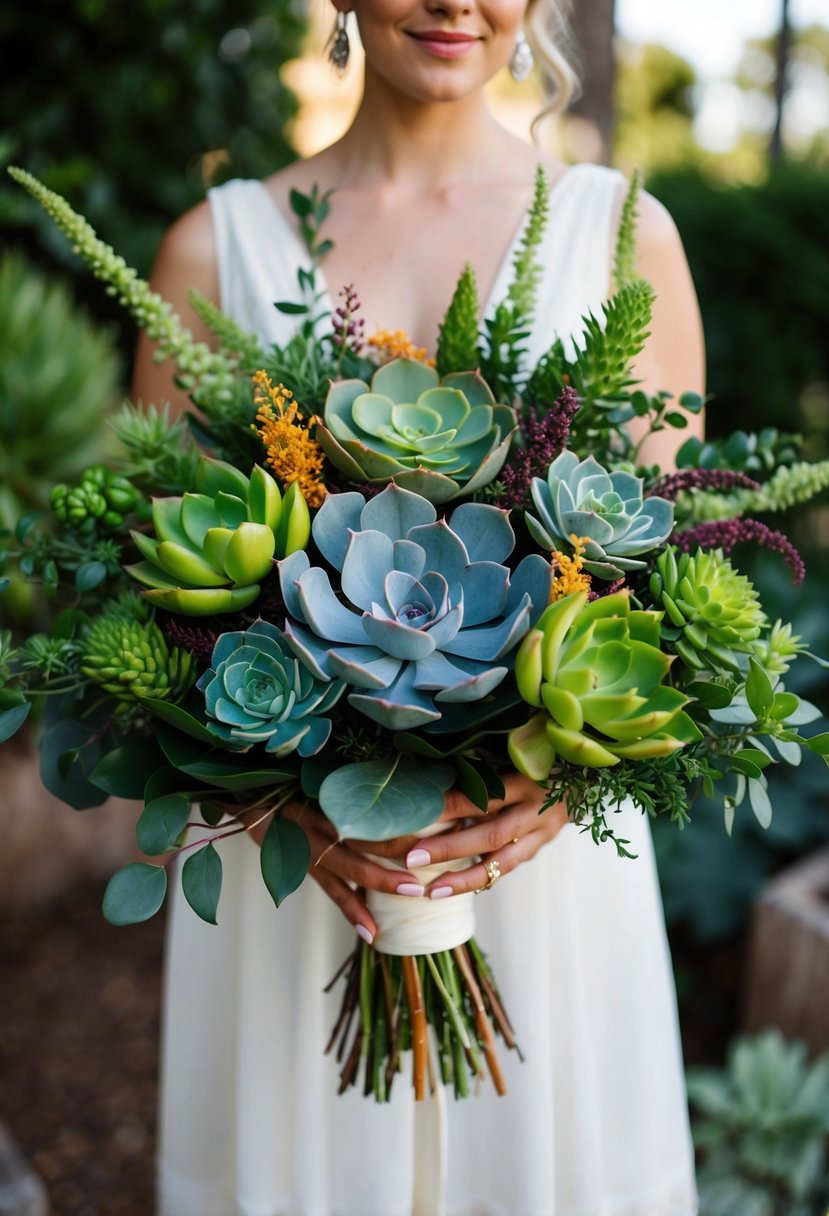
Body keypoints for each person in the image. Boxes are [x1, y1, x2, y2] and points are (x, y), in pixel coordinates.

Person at [133, 1, 705, 1212]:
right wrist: (288, 801)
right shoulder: (212, 250)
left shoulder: (622, 242)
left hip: (542, 877)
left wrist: (562, 780)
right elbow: (160, 621)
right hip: (299, 886)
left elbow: (676, 594)